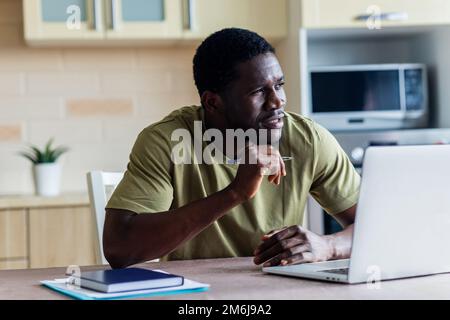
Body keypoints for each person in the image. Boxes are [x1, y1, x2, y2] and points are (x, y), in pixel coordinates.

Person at [104, 28, 360, 269]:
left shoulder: (308, 140)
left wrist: (328, 246)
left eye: (279, 85)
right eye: (259, 91)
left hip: (276, 290)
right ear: (213, 102)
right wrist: (235, 192)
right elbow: (119, 248)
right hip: (192, 295)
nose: (277, 101)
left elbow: (376, 226)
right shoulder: (167, 141)